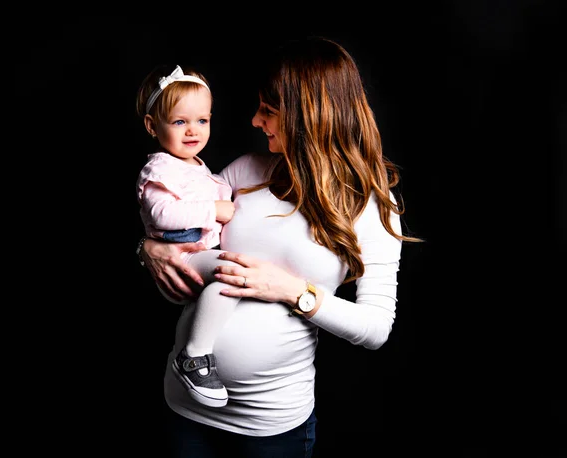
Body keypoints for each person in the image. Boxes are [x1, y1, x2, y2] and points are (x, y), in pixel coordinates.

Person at [137, 36, 422, 458]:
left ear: (310, 117)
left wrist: (290, 290)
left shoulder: (371, 205)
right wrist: (147, 249)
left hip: (271, 428)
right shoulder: (244, 171)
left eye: (268, 111)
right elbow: (176, 218)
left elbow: (376, 329)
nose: (254, 121)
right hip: (183, 411)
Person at [135, 64, 243, 408]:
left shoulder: (197, 166)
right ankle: (193, 357)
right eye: (179, 122)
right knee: (233, 274)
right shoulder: (160, 168)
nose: (193, 130)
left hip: (197, 253)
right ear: (153, 126)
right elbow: (161, 215)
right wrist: (215, 209)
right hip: (182, 257)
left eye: (202, 120)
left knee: (229, 278)